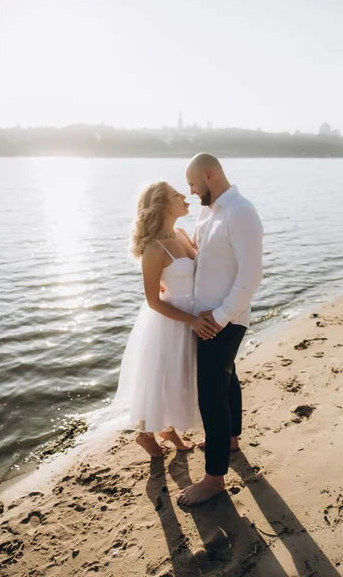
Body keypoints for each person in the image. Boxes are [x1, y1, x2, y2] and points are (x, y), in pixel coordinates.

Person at [177, 153, 264, 505]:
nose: (192, 192)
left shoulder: (241, 212)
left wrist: (221, 316)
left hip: (224, 319)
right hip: (211, 316)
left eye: (193, 184)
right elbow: (203, 256)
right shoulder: (208, 212)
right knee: (226, 378)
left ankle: (214, 479)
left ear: (208, 175)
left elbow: (251, 274)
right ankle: (229, 438)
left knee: (210, 395)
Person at [111, 181, 216, 458]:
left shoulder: (182, 234)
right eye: (176, 195)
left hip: (194, 314)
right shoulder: (154, 249)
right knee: (160, 376)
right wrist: (191, 320)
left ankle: (167, 429)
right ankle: (146, 434)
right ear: (162, 206)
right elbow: (153, 301)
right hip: (169, 320)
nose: (184, 196)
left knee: (181, 376)